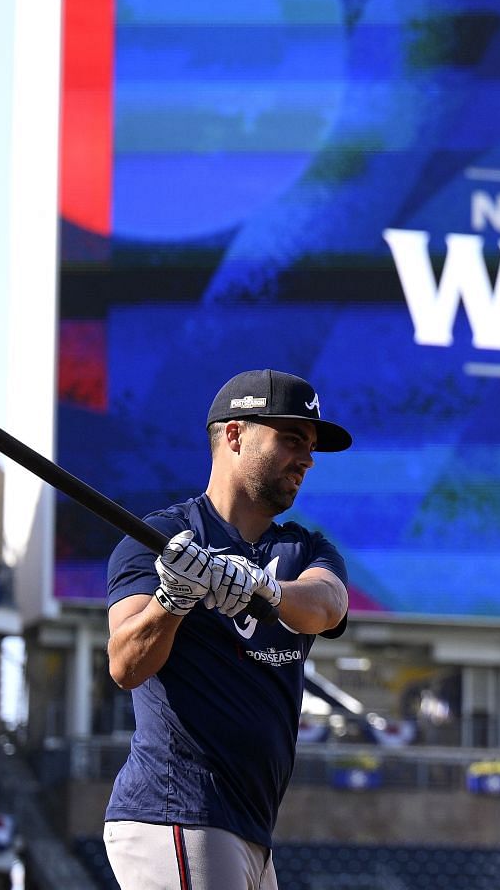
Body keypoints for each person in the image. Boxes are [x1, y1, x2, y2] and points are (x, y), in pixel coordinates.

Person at [102, 369, 353, 890]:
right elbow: (125, 664)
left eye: (309, 444)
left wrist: (266, 589)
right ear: (235, 435)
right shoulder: (162, 539)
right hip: (180, 810)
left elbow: (328, 606)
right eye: (290, 439)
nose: (306, 457)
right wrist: (174, 600)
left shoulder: (305, 549)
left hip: (251, 828)